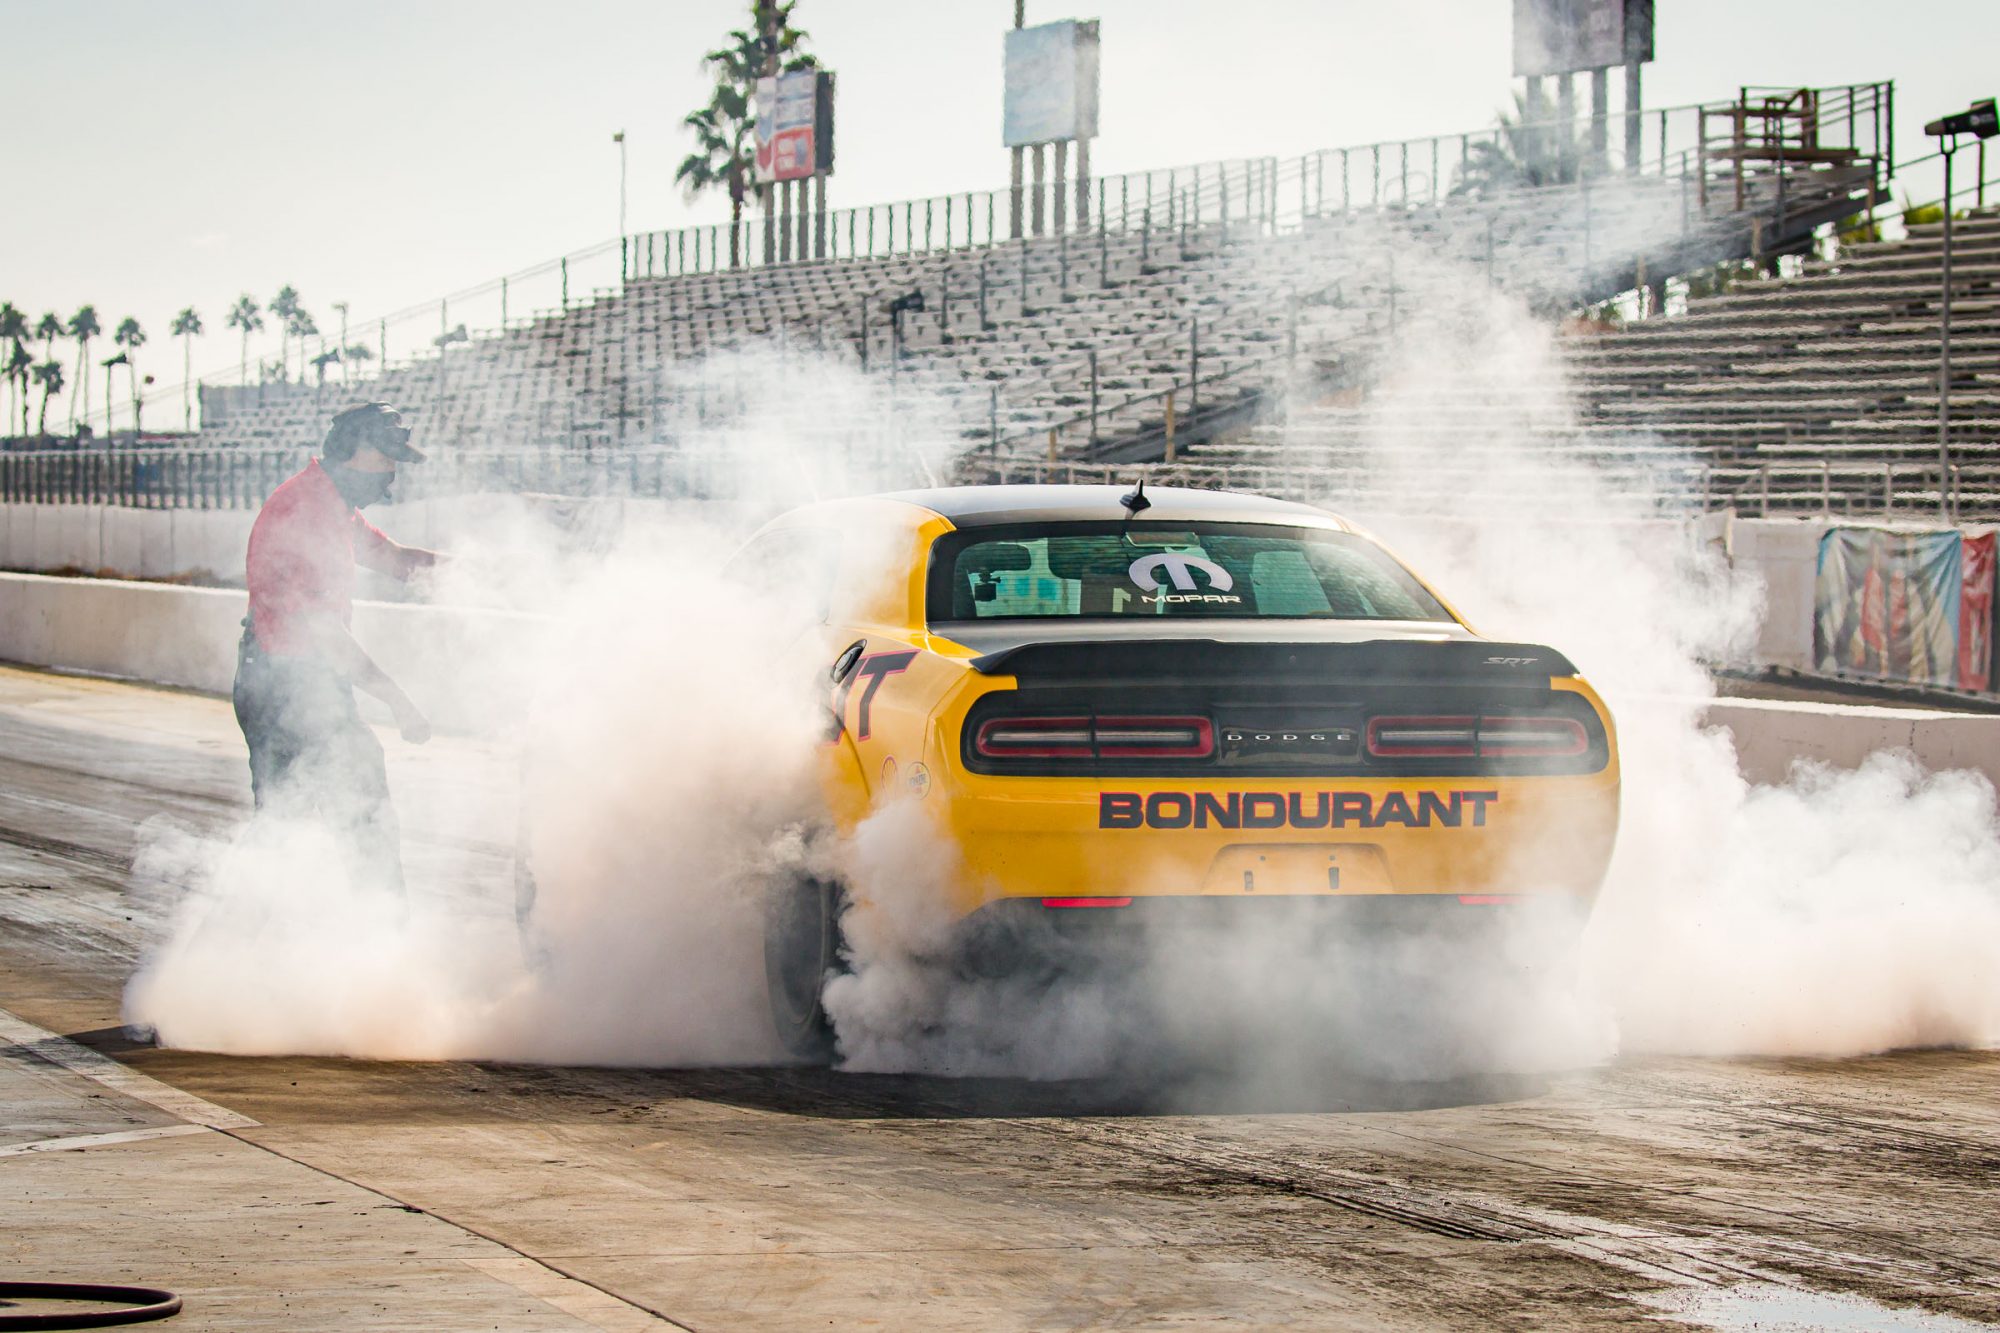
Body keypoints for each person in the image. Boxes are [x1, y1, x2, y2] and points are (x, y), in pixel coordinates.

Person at [233, 401, 443, 895]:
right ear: (359, 450)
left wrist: (481, 571)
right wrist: (398, 700)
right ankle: (385, 944)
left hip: (293, 679)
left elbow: (392, 558)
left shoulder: (328, 503)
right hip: (287, 685)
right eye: (386, 459)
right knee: (359, 816)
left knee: (280, 831)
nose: (392, 475)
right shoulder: (304, 511)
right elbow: (324, 634)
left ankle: (224, 948)